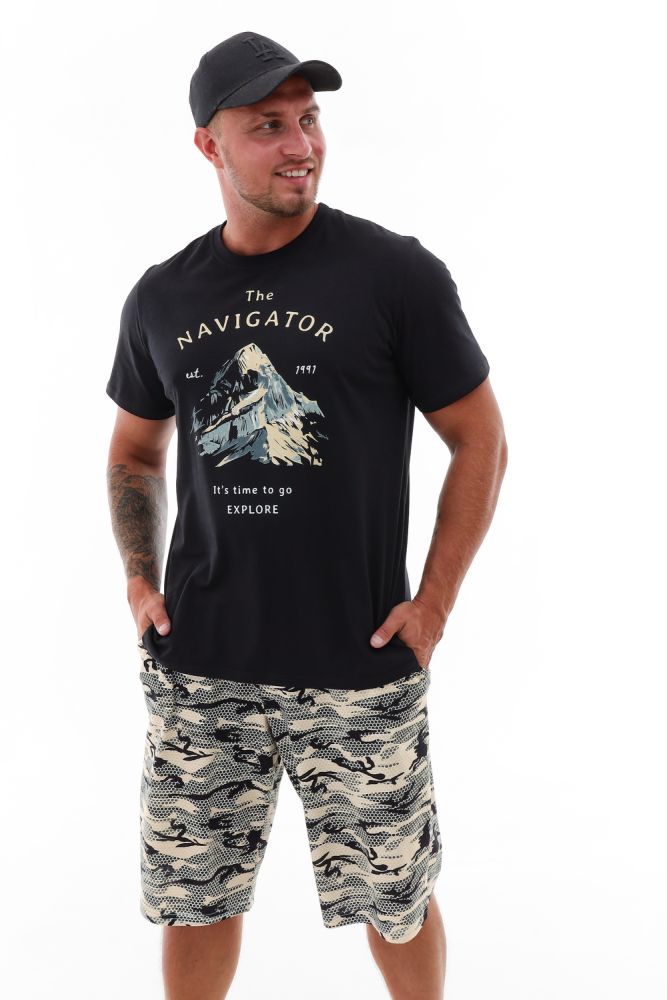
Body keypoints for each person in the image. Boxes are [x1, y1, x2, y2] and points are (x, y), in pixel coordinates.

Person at [105, 29, 508, 1000]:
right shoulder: (161, 297)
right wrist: (139, 577)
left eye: (309, 119)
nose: (301, 146)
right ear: (209, 145)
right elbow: (133, 451)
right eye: (268, 126)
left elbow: (480, 440)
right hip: (202, 665)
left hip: (359, 664)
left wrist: (433, 607)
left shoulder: (394, 276)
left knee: (394, 896)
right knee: (195, 897)